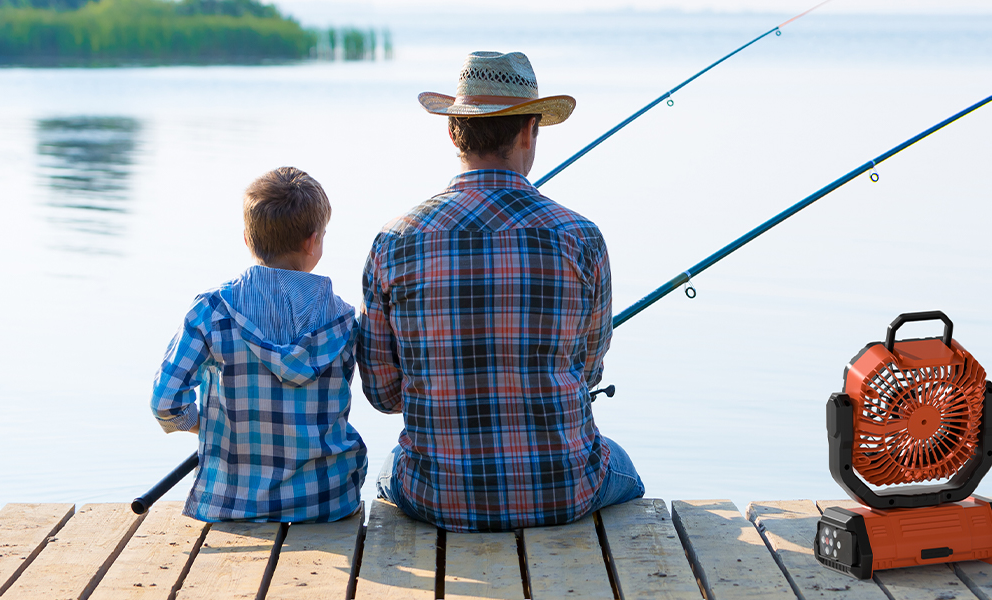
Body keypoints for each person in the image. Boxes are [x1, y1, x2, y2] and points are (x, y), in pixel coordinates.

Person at [359, 51, 643, 533]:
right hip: (564, 491)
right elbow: (589, 369)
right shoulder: (582, 237)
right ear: (529, 130)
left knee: (391, 467)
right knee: (625, 469)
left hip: (436, 497)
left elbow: (384, 395)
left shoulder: (394, 241)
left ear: (452, 131)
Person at [151, 167, 367, 523]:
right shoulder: (343, 320)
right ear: (313, 242)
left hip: (232, 506)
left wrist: (210, 429)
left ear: (248, 241)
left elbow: (165, 403)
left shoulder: (211, 312)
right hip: (328, 503)